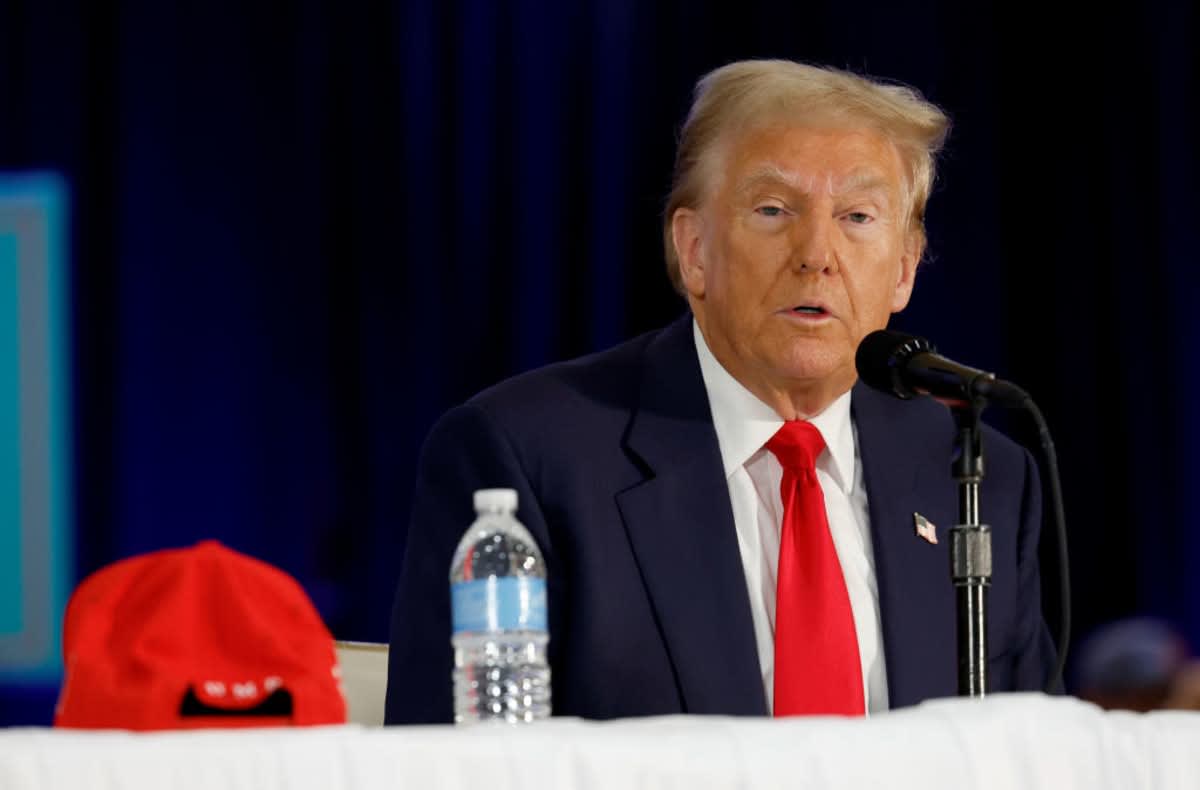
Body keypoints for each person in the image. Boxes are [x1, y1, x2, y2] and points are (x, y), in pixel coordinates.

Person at [385, 60, 1054, 724]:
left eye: (857, 216)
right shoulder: (527, 457)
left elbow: (1038, 758)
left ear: (904, 268)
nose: (817, 252)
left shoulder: (973, 476)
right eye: (773, 209)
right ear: (694, 249)